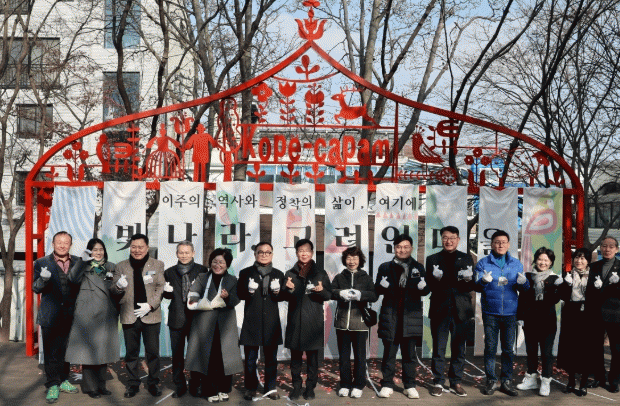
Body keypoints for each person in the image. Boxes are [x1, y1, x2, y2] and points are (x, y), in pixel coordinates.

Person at [185, 248, 243, 403]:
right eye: (214, 261)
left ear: (227, 264)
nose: (217, 265)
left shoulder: (232, 280)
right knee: (208, 358)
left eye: (221, 262)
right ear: (210, 263)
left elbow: (236, 299)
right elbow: (194, 292)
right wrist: (194, 299)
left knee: (225, 358)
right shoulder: (203, 277)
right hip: (205, 325)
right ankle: (210, 390)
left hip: (225, 325)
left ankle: (223, 388)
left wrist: (228, 297)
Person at [475, 230, 529, 397]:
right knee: (490, 348)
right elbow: (476, 287)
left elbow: (524, 288)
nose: (500, 245)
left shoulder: (516, 264)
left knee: (508, 350)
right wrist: (483, 281)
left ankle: (506, 381)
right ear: (491, 244)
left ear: (509, 244)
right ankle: (491, 380)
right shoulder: (483, 263)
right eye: (497, 242)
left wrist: (524, 283)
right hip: (490, 312)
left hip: (511, 313)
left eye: (504, 242)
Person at [375, 234, 429, 399]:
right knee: (389, 354)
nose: (402, 250)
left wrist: (424, 287)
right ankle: (387, 384)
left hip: (410, 317)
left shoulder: (418, 267)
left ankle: (409, 385)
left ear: (411, 248)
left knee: (409, 355)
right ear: (394, 248)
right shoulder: (385, 267)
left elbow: (426, 291)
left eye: (406, 247)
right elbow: (377, 290)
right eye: (399, 247)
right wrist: (381, 286)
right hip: (391, 316)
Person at [111, 233, 165, 398]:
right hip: (129, 315)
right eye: (133, 247)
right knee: (131, 353)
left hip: (151, 315)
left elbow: (160, 287)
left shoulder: (157, 264)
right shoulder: (121, 266)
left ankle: (153, 383)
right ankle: (133, 384)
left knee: (153, 353)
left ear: (147, 248)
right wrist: (118, 286)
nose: (137, 250)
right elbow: (113, 290)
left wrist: (150, 305)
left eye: (140, 247)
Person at [65, 239, 120, 399]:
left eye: (101, 249)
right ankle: (91, 388)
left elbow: (115, 289)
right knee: (88, 353)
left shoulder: (110, 267)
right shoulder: (83, 266)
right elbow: (72, 278)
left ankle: (101, 385)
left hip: (106, 314)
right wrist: (82, 261)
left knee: (103, 352)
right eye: (95, 250)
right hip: (87, 315)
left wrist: (121, 287)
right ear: (89, 251)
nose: (98, 252)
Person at [425, 226, 475, 397]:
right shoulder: (432, 259)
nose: (449, 241)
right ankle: (438, 382)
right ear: (441, 239)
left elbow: (470, 285)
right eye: (445, 237)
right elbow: (429, 286)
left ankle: (456, 382)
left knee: (459, 348)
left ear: (458, 239)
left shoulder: (466, 257)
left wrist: (468, 279)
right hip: (440, 309)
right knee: (439, 348)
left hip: (461, 309)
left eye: (452, 237)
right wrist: (435, 279)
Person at [32, 231, 80, 404]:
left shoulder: (78, 262)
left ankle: (64, 379)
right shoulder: (41, 262)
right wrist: (43, 280)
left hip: (71, 315)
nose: (62, 245)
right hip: (50, 315)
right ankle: (53, 384)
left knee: (66, 351)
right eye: (59, 242)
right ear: (52, 244)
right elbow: (36, 288)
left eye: (66, 242)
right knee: (51, 351)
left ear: (70, 245)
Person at [283, 239, 332, 400]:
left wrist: (321, 290)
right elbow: (283, 296)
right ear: (296, 253)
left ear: (312, 253)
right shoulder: (290, 274)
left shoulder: (320, 273)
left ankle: (310, 387)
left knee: (313, 360)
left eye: (307, 250)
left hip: (313, 323)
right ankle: (296, 387)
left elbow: (328, 295)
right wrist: (288, 289)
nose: (303, 253)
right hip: (295, 322)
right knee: (295, 360)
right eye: (300, 250)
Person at [237, 242, 286, 401]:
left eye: (267, 252)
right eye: (261, 252)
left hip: (271, 322)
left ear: (272, 254)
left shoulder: (278, 274)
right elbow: (240, 294)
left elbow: (283, 297)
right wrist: (249, 291)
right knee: (250, 359)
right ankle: (250, 388)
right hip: (252, 321)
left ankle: (271, 388)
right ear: (255, 254)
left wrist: (278, 292)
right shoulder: (245, 273)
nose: (264, 255)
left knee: (271, 359)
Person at [162, 241, 207, 398]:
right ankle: (179, 385)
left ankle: (195, 384)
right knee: (177, 355)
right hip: (177, 317)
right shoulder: (169, 272)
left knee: (195, 354)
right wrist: (166, 292)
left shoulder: (202, 270)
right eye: (181, 252)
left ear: (193, 253)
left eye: (187, 252)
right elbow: (167, 296)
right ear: (176, 254)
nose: (184, 255)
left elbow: (207, 293)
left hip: (196, 319)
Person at [331, 246, 377, 399]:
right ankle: (345, 384)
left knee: (360, 356)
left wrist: (360, 295)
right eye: (349, 258)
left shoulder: (366, 277)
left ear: (360, 260)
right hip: (342, 322)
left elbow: (374, 295)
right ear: (345, 260)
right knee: (344, 357)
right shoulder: (339, 277)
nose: (352, 261)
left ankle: (358, 385)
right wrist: (340, 293)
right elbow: (330, 292)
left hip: (360, 323)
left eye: (355, 258)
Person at [515, 247, 562, 396]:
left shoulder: (554, 279)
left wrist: (559, 288)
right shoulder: (528, 276)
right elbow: (523, 298)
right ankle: (531, 379)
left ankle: (546, 381)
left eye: (546, 260)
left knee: (547, 353)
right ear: (535, 260)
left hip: (547, 321)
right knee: (531, 351)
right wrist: (520, 317)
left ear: (551, 262)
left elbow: (555, 300)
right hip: (530, 320)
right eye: (540, 259)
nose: (542, 262)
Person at [557, 248, 598, 396]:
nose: (579, 261)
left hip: (588, 315)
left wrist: (598, 288)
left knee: (586, 349)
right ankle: (571, 382)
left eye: (582, 258)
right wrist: (565, 284)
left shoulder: (594, 276)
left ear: (588, 261)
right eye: (576, 258)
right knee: (571, 349)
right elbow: (561, 296)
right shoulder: (567, 275)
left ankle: (583, 383)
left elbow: (598, 298)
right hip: (571, 314)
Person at [590, 236, 620, 392]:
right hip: (596, 314)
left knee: (616, 349)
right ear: (600, 248)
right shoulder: (594, 266)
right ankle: (599, 378)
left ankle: (614, 380)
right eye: (604, 246)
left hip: (615, 314)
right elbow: (588, 290)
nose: (607, 249)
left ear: (617, 249)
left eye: (611, 246)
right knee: (596, 348)